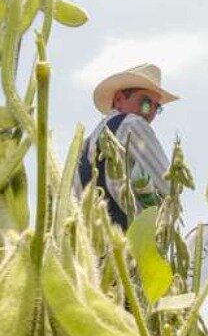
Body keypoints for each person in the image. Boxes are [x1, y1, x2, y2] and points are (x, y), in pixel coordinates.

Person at [76, 63, 178, 229]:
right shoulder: (133, 123)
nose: (151, 111)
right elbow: (169, 184)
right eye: (145, 103)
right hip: (126, 241)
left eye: (156, 107)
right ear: (119, 100)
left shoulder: (87, 143)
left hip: (90, 241)